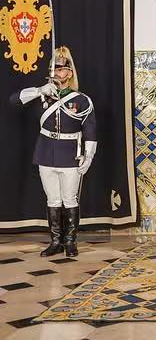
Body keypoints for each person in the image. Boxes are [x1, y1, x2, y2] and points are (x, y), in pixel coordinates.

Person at [10, 46, 97, 257]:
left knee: (70, 200)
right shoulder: (43, 95)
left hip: (70, 155)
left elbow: (91, 130)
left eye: (61, 68)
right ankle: (56, 241)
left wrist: (89, 156)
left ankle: (70, 242)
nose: (57, 72)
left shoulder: (82, 100)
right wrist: (40, 90)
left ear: (69, 72)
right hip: (45, 153)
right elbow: (13, 101)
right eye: (53, 68)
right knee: (53, 200)